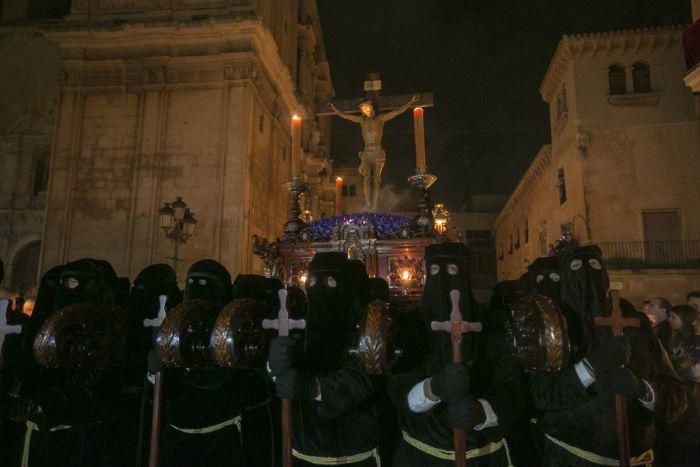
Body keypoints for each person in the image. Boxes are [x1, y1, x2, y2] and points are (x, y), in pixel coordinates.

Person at [529, 246, 687, 466]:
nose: (587, 274)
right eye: (575, 268)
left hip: (637, 458)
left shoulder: (634, 323)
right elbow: (542, 396)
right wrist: (590, 367)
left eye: (594, 266)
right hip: (572, 458)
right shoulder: (551, 326)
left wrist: (643, 390)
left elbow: (676, 391)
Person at [387, 242, 524, 466]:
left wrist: (483, 412)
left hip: (481, 457)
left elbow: (510, 385)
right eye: (434, 272)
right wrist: (432, 389)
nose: (443, 282)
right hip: (421, 457)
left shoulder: (490, 324)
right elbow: (397, 384)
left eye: (452, 272)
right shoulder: (410, 326)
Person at [268, 252, 381, 466]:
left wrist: (313, 388)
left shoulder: (365, 325)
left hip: (352, 451)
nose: (318, 288)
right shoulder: (298, 324)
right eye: (312, 281)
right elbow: (282, 376)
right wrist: (273, 364)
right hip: (303, 448)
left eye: (330, 281)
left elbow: (366, 378)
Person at [17, 258, 124, 467]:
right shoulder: (52, 320)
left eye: (76, 284)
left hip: (82, 432)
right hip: (46, 426)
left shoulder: (106, 327)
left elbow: (104, 379)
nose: (69, 290)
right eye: (67, 284)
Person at [158, 259, 252, 467]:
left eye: (205, 285)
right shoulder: (175, 329)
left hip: (220, 436)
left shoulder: (235, 332)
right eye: (193, 284)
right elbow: (165, 392)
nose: (198, 292)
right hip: (177, 435)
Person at [327, 94, 419, 210]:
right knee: (366, 179)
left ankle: (374, 206)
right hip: (366, 153)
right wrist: (335, 109)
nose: (364, 109)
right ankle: (368, 204)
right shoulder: (361, 120)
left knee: (375, 181)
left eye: (366, 107)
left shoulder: (380, 119)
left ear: (371, 107)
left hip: (378, 153)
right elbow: (345, 116)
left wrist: (410, 102)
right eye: (362, 108)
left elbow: (397, 111)